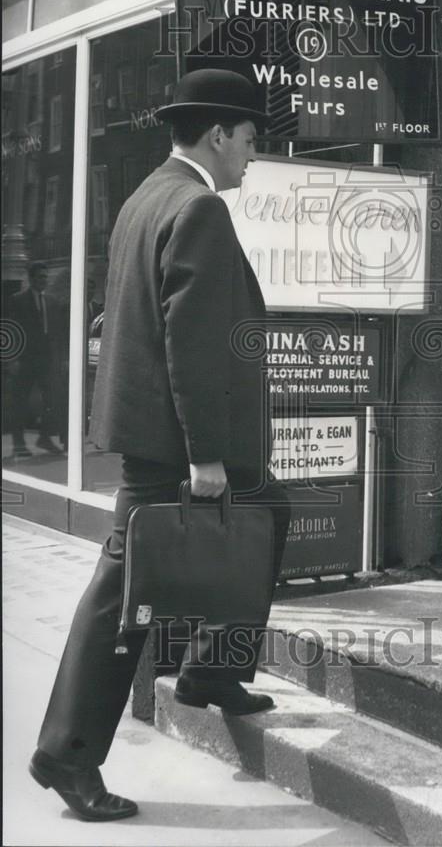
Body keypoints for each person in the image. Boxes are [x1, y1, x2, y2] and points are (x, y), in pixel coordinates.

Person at [30, 69, 291, 822]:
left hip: (157, 430)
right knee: (123, 599)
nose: (252, 153)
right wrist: (205, 454)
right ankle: (68, 753)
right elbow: (191, 342)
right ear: (217, 134)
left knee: (267, 512)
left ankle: (212, 670)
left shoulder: (147, 195)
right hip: (180, 442)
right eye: (248, 138)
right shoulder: (198, 207)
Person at [8, 261, 65, 457]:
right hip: (25, 359)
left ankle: (45, 438)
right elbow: (10, 330)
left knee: (52, 400)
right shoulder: (17, 300)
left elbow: (56, 332)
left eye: (45, 277)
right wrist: (12, 359)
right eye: (40, 277)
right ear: (31, 278)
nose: (44, 281)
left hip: (46, 360)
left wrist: (60, 358)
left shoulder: (52, 301)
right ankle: (18, 443)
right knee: (20, 401)